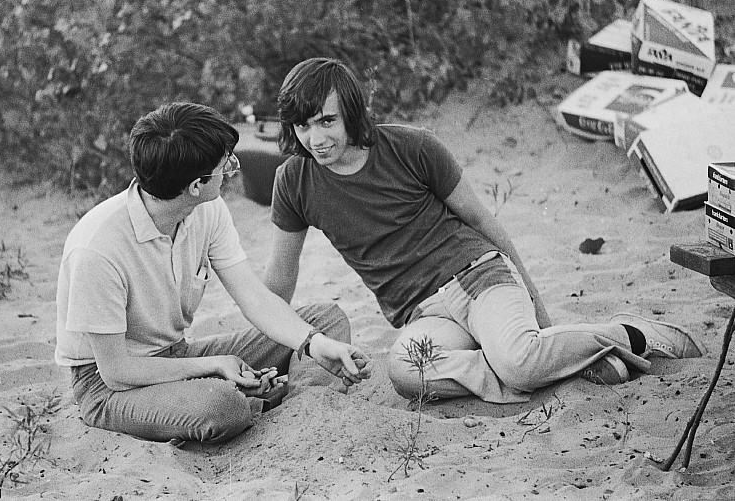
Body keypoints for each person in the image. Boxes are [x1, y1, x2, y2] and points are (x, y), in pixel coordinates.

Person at [263, 57, 706, 404]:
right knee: (406, 372)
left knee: (519, 362)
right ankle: (562, 360)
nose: (315, 138)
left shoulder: (411, 147)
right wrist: (273, 355)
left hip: (477, 274)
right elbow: (278, 282)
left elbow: (482, 221)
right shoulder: (294, 182)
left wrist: (538, 309)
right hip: (425, 314)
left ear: (350, 114)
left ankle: (632, 335)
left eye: (326, 121)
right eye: (303, 126)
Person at [54, 102, 371, 444]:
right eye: (225, 164)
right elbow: (117, 372)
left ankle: (298, 405)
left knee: (326, 321)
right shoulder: (97, 249)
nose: (234, 167)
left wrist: (313, 344)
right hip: (109, 385)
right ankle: (253, 401)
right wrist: (215, 366)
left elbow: (252, 296)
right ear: (195, 185)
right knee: (222, 405)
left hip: (177, 355)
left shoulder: (206, 209)